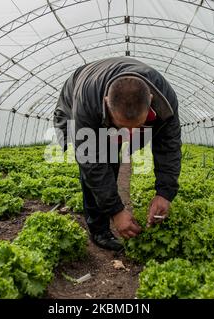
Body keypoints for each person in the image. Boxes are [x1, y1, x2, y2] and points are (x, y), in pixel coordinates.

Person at [53, 57, 181, 251]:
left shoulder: (166, 100)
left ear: (151, 102)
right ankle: (99, 230)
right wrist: (116, 210)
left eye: (136, 127)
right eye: (122, 127)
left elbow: (168, 147)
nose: (128, 135)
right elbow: (91, 161)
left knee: (112, 155)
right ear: (106, 103)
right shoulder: (88, 101)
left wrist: (165, 193)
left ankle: (107, 207)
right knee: (99, 161)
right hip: (78, 92)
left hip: (108, 113)